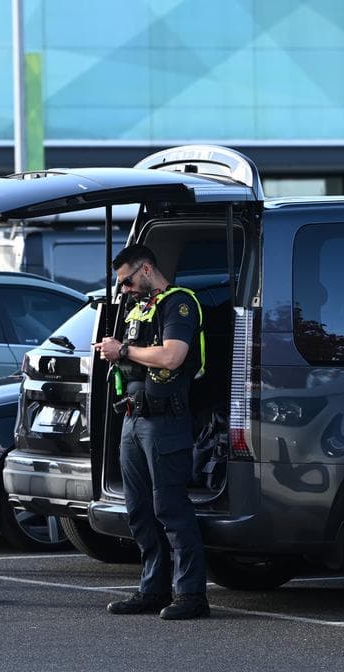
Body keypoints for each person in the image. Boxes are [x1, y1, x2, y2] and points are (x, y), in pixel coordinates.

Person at [92, 244, 209, 620]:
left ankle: (191, 596)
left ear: (145, 269)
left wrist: (122, 351)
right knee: (138, 509)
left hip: (166, 421)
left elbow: (173, 356)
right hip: (133, 418)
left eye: (126, 282)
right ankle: (152, 589)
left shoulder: (179, 304)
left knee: (170, 508)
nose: (123, 290)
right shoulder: (138, 308)